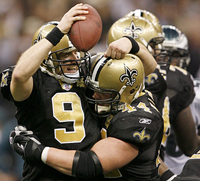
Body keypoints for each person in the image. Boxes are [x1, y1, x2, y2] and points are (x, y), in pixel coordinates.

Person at [0, 4, 157, 180]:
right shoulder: (34, 81)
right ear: (45, 58)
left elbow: (149, 70)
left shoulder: (87, 70)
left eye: (76, 52)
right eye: (65, 55)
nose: (74, 59)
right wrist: (58, 32)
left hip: (87, 170)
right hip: (45, 175)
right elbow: (19, 75)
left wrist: (131, 43)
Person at [10, 53, 164, 181]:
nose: (95, 95)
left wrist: (39, 151)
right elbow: (150, 68)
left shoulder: (140, 119)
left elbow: (90, 164)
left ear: (128, 92)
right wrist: (132, 44)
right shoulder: (121, 99)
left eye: (104, 91)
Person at [108, 9, 200, 159]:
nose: (160, 50)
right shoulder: (174, 80)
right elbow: (190, 146)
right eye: (155, 44)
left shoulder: (94, 72)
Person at [161, 25, 200, 175]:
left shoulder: (196, 93)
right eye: (165, 53)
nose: (171, 61)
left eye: (176, 54)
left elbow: (190, 147)